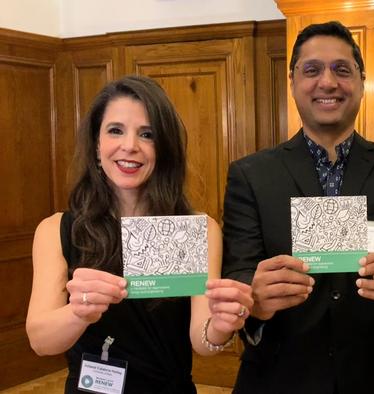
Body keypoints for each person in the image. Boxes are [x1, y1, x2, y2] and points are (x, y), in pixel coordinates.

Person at [221, 21, 374, 394]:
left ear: (361, 80)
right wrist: (254, 298)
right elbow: (239, 270)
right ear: (292, 81)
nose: (327, 82)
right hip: (279, 377)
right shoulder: (250, 175)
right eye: (312, 70)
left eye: (342, 69)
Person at [26, 75, 254, 393]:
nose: (130, 146)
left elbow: (202, 342)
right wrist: (80, 312)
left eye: (146, 134)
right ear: (96, 144)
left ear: (163, 148)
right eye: (115, 130)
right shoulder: (56, 230)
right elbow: (40, 341)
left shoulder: (197, 230)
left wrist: (221, 326)